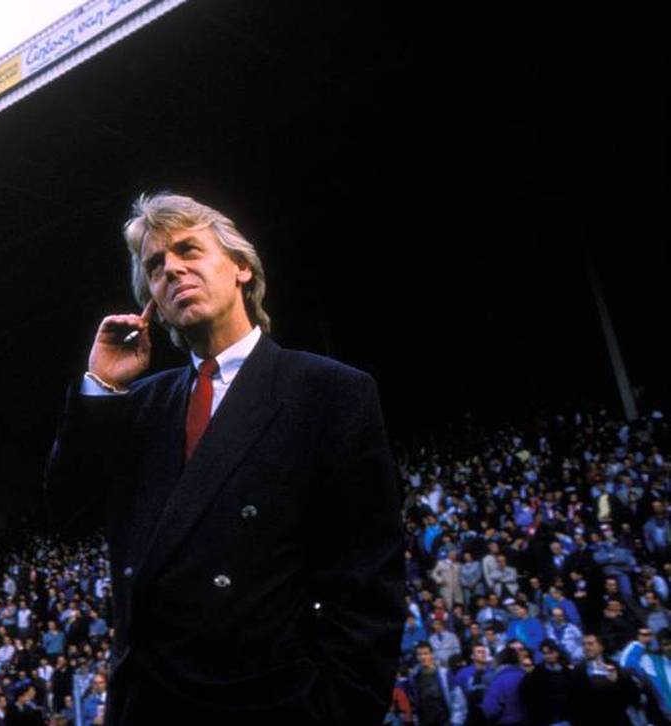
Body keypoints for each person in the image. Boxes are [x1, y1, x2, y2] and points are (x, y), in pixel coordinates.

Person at [45, 192, 405, 724]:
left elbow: (367, 585)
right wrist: (102, 386)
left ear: (241, 267)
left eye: (188, 249)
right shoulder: (137, 404)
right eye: (155, 265)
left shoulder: (329, 392)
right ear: (152, 302)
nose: (171, 269)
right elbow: (66, 515)